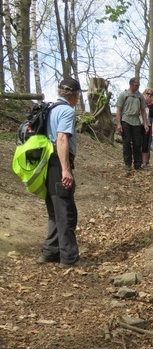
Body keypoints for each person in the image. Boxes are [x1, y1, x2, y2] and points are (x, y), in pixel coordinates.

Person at [39, 78, 85, 268]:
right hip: (58, 163)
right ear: (75, 95)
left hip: (46, 162)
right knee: (66, 211)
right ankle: (69, 258)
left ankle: (51, 252)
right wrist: (66, 170)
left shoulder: (51, 109)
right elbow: (62, 138)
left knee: (54, 210)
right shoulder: (67, 111)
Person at [116, 77, 149, 170]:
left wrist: (145, 123)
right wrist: (118, 124)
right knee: (126, 143)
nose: (137, 87)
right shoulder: (124, 95)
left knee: (137, 143)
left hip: (136, 121)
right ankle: (128, 164)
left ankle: (137, 164)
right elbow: (119, 110)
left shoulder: (140, 97)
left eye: (138, 85)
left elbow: (143, 111)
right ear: (131, 84)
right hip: (125, 120)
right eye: (136, 85)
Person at [142, 87, 153, 168]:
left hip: (148, 125)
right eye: (148, 94)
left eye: (151, 94)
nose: (149, 96)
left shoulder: (152, 105)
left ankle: (146, 162)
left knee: (147, 143)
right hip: (140, 124)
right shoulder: (140, 102)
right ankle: (139, 160)